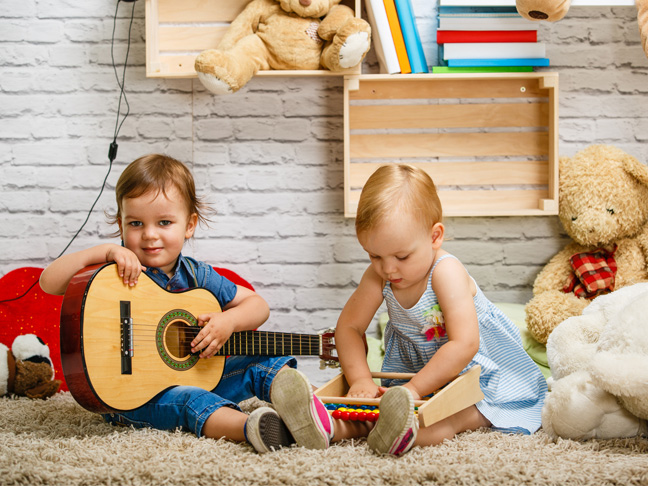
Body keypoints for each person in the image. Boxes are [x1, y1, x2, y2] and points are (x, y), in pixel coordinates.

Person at [271, 163, 547, 455]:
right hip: (413, 375)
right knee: (377, 410)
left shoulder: (446, 271)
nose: (388, 268)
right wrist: (362, 380)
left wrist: (414, 390)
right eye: (374, 255)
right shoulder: (378, 276)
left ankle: (405, 435)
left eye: (402, 256)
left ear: (434, 237)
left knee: (448, 417)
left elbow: (465, 343)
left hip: (478, 377)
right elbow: (349, 328)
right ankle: (329, 428)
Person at [40, 154, 297, 453]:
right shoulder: (118, 268)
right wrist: (105, 251)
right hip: (131, 396)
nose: (149, 235)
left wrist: (229, 321)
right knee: (190, 400)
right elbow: (49, 281)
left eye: (164, 222)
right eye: (135, 223)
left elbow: (257, 306)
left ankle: (312, 408)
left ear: (189, 225)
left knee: (261, 361)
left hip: (196, 376)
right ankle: (252, 427)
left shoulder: (195, 274)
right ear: (121, 224)